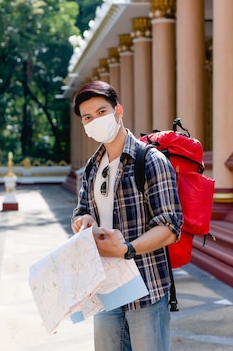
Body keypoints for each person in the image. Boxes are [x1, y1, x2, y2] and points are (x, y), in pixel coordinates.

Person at [71, 80, 183, 351]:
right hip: (106, 288)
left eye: (101, 112)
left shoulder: (151, 161)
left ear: (118, 110)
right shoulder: (91, 167)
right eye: (87, 117)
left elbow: (170, 226)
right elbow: (82, 209)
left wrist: (127, 249)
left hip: (146, 287)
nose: (95, 120)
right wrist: (83, 220)